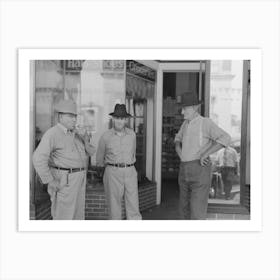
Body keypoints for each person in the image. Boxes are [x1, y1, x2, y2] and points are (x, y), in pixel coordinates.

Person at [32, 99, 96, 220]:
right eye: (70, 116)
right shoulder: (52, 134)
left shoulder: (76, 134)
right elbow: (38, 158)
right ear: (60, 117)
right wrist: (49, 181)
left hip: (79, 180)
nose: (74, 119)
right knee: (64, 218)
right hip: (65, 181)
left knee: (78, 217)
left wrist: (85, 139)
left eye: (75, 116)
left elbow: (91, 152)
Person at [174, 93, 231, 220]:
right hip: (184, 170)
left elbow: (225, 138)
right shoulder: (185, 124)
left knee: (197, 211)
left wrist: (206, 153)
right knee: (183, 210)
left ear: (195, 107)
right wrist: (179, 149)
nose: (182, 112)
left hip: (199, 169)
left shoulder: (206, 123)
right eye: (182, 108)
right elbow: (177, 138)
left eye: (185, 108)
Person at [96, 104, 142, 220]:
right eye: (117, 118)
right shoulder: (105, 137)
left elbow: (133, 153)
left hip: (130, 171)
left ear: (126, 120)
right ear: (113, 119)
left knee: (133, 206)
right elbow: (99, 159)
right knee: (114, 207)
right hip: (112, 172)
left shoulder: (132, 135)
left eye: (122, 118)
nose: (119, 121)